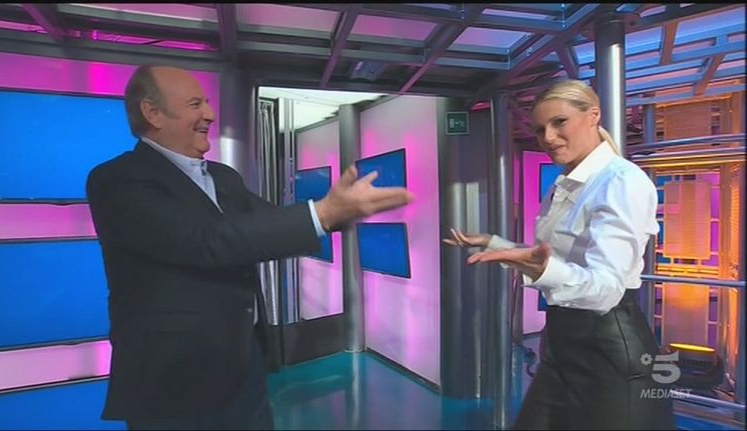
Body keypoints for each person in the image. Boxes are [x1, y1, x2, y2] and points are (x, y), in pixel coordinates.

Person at [87, 65, 414, 430]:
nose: (210, 114)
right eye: (195, 104)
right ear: (153, 112)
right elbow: (205, 240)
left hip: (244, 367)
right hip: (172, 381)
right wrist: (323, 213)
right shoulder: (118, 180)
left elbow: (266, 228)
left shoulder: (224, 177)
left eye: (207, 102)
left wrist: (339, 212)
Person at [444, 79, 675, 430]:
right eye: (540, 129)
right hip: (562, 346)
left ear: (593, 115)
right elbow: (552, 259)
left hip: (610, 355)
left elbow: (605, 290)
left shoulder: (621, 181)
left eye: (559, 122)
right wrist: (494, 244)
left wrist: (544, 270)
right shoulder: (564, 184)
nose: (548, 137)